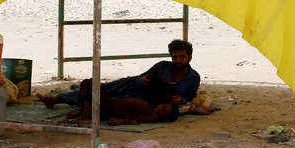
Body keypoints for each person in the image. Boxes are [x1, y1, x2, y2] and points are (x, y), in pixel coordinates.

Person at [38, 39, 200, 113]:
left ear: (189, 57)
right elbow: (141, 77)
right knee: (100, 89)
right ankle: (57, 99)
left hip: (151, 100)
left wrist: (182, 99)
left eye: (181, 57)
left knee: (109, 102)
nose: (177, 60)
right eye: (175, 57)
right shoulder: (163, 66)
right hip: (133, 87)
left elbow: (190, 96)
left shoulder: (193, 78)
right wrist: (140, 81)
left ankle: (68, 100)